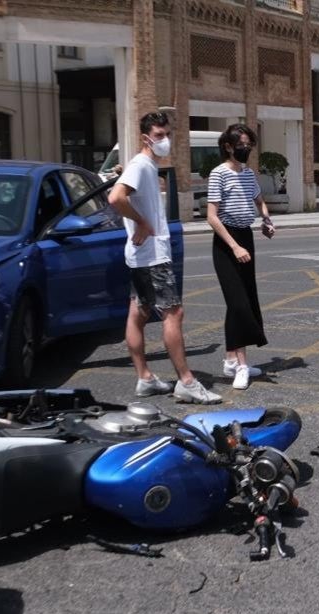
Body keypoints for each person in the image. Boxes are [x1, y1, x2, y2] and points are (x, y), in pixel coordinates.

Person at [108, 111, 222, 404]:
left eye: (168, 134)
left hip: (140, 255)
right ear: (146, 138)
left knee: (139, 311)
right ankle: (186, 381)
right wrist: (144, 222)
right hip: (153, 255)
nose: (165, 140)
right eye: (159, 136)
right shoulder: (141, 165)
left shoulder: (143, 166)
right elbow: (115, 197)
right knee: (174, 313)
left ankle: (144, 378)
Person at [206, 123, 274, 391]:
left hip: (245, 237)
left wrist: (266, 220)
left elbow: (260, 201)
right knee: (238, 304)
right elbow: (212, 216)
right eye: (242, 145)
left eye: (249, 145)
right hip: (226, 242)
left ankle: (230, 360)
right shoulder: (218, 174)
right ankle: (242, 366)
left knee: (243, 300)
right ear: (228, 146)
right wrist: (234, 246)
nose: (246, 149)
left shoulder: (247, 174)